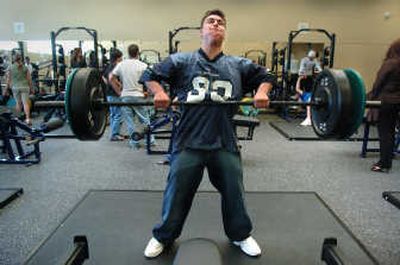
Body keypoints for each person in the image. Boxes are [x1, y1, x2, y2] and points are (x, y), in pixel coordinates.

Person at [140, 9, 275, 258]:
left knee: (235, 192)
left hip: (224, 141)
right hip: (188, 141)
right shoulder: (181, 61)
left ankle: (240, 235)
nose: (216, 25)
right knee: (176, 192)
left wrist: (262, 92)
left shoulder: (238, 64)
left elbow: (267, 75)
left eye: (221, 23)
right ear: (202, 31)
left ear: (224, 32)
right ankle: (163, 236)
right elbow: (149, 74)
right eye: (210, 22)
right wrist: (158, 92)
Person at [110, 44, 154, 149]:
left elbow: (111, 77)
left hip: (125, 96)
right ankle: (151, 140)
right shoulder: (143, 65)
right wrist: (148, 92)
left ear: (128, 53)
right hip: (138, 96)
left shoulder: (121, 64)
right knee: (145, 120)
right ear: (138, 53)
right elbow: (150, 80)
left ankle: (134, 143)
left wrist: (119, 92)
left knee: (130, 121)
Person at [368, 38, 400, 173]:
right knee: (391, 132)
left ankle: (384, 164)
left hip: (386, 102)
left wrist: (370, 98)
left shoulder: (390, 63)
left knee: (385, 133)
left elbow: (378, 83)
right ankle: (387, 157)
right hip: (397, 103)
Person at [102, 49, 124, 141]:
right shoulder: (115, 67)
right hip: (114, 94)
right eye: (121, 57)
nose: (122, 59)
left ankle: (114, 132)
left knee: (113, 114)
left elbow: (103, 77)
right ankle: (114, 134)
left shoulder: (109, 66)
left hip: (109, 93)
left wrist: (108, 84)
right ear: (118, 58)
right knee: (118, 114)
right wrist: (119, 88)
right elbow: (111, 79)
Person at [6, 53, 33, 125]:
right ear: (20, 59)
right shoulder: (25, 67)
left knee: (18, 103)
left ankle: (17, 119)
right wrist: (32, 88)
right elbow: (29, 79)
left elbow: (8, 80)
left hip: (15, 88)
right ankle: (27, 119)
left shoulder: (10, 67)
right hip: (25, 87)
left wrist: (6, 89)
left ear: (13, 59)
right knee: (25, 103)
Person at [297, 50, 322, 126]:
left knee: (309, 90)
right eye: (311, 57)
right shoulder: (304, 60)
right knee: (300, 90)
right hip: (303, 75)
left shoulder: (315, 60)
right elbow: (301, 67)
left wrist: (321, 72)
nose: (312, 58)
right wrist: (301, 75)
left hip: (309, 76)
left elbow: (318, 67)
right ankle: (298, 100)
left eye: (313, 57)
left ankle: (309, 118)